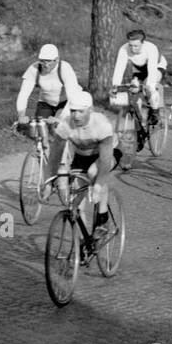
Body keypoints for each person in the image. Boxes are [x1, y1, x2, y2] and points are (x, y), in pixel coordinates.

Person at [46, 92, 117, 236]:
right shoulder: (65, 125)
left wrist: (97, 185)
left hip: (107, 154)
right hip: (82, 155)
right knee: (75, 203)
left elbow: (104, 161)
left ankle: (103, 219)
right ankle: (83, 243)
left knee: (92, 173)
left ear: (90, 110)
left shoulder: (101, 125)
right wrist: (48, 182)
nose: (76, 116)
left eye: (81, 111)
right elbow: (54, 155)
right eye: (73, 111)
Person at [15, 43, 82, 127]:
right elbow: (23, 94)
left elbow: (72, 96)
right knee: (39, 127)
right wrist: (21, 115)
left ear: (57, 60)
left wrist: (60, 117)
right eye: (42, 61)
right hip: (46, 103)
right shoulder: (34, 69)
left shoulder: (65, 68)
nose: (45, 65)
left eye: (49, 61)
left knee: (59, 128)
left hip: (65, 103)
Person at [110, 29, 165, 114]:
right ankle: (138, 115)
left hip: (157, 67)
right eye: (130, 45)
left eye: (136, 46)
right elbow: (119, 68)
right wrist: (115, 85)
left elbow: (152, 70)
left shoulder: (151, 48)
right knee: (134, 86)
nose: (132, 49)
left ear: (143, 43)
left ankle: (155, 111)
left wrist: (150, 86)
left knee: (149, 86)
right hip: (140, 68)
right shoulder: (124, 49)